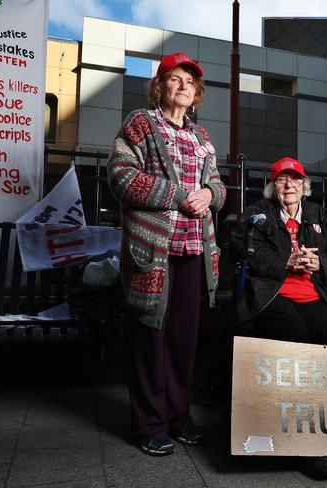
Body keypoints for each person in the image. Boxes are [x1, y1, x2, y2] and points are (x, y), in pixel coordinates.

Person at [107, 52, 226, 456]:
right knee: (149, 335)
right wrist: (178, 196)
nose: (182, 86)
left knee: (182, 339)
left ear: (196, 94)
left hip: (194, 248)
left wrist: (210, 194)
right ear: (160, 87)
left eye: (189, 82)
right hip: (153, 249)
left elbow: (218, 187)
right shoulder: (141, 123)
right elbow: (121, 177)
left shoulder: (202, 137)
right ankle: (149, 423)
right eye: (173, 79)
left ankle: (178, 415)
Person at [234, 157, 327, 480]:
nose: (289, 186)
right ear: (272, 187)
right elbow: (244, 252)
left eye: (295, 180)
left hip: (315, 293)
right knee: (297, 343)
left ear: (304, 185)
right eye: (282, 180)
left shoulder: (320, 215)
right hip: (275, 294)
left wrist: (319, 262)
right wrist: (287, 261)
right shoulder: (258, 213)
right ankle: (306, 445)